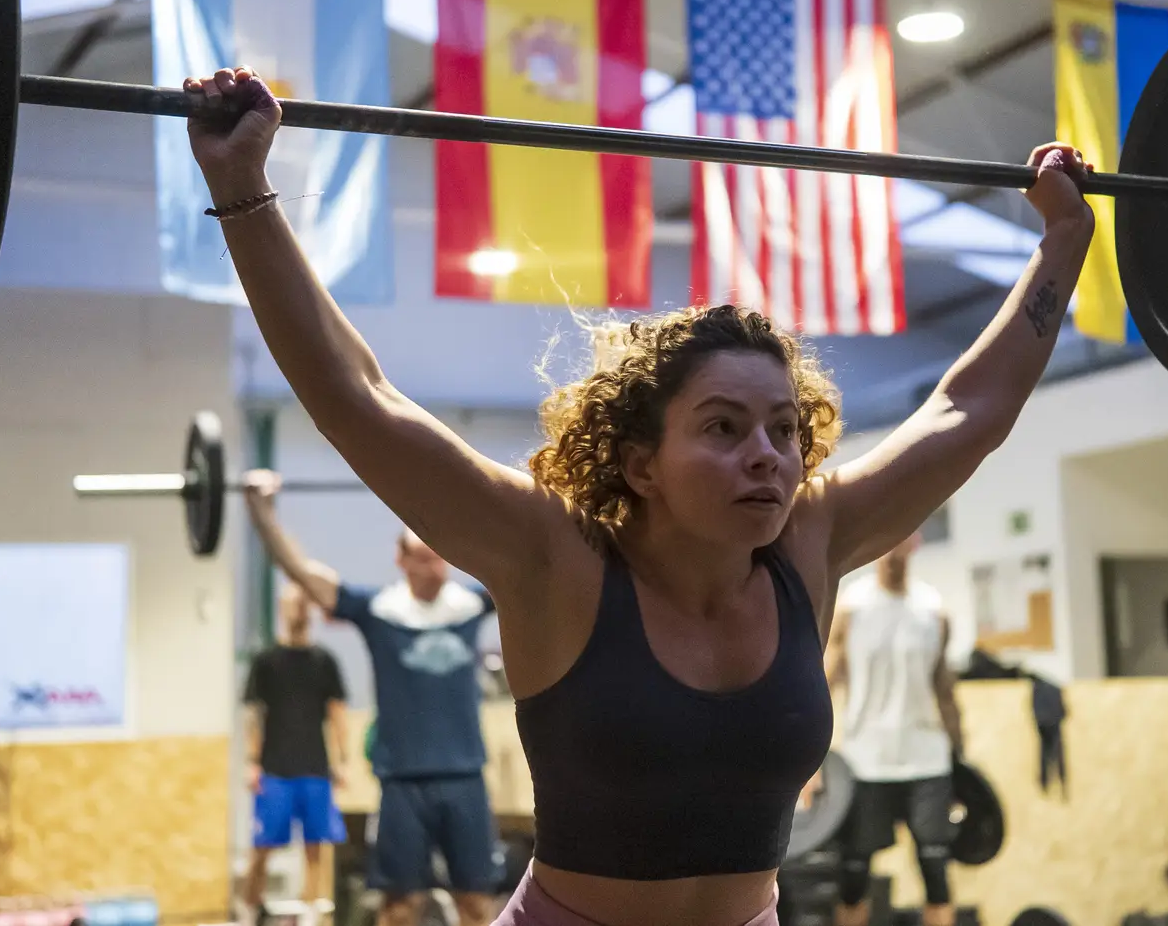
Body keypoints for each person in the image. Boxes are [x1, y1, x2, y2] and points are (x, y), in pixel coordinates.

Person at [183, 64, 1095, 926]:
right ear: (640, 462)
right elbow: (359, 398)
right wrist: (242, 188)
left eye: (785, 429)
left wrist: (1063, 243)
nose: (768, 457)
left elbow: (966, 411)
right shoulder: (552, 556)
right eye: (724, 428)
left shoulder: (812, 541)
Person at [244, 475, 501, 926]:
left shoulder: (470, 605)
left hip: (465, 777)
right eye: (423, 558)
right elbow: (302, 574)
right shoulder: (378, 610)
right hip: (402, 783)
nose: (435, 568)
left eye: (439, 557)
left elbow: (532, 564)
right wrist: (261, 511)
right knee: (399, 910)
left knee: (477, 906)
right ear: (401, 561)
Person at [821, 532, 962, 926]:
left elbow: (944, 690)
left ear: (915, 542)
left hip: (927, 759)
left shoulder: (933, 610)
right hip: (866, 761)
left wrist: (960, 756)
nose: (891, 547)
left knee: (936, 872)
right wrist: (812, 764)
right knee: (853, 875)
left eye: (901, 538)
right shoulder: (852, 607)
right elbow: (825, 685)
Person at [241, 582, 350, 919]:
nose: (299, 608)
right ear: (281, 608)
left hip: (315, 768)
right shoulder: (266, 661)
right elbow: (253, 715)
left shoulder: (324, 661)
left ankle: (310, 912)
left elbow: (337, 713)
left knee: (315, 848)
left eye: (304, 602)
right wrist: (252, 762)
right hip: (275, 769)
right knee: (263, 847)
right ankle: (250, 910)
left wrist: (342, 760)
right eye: (292, 602)